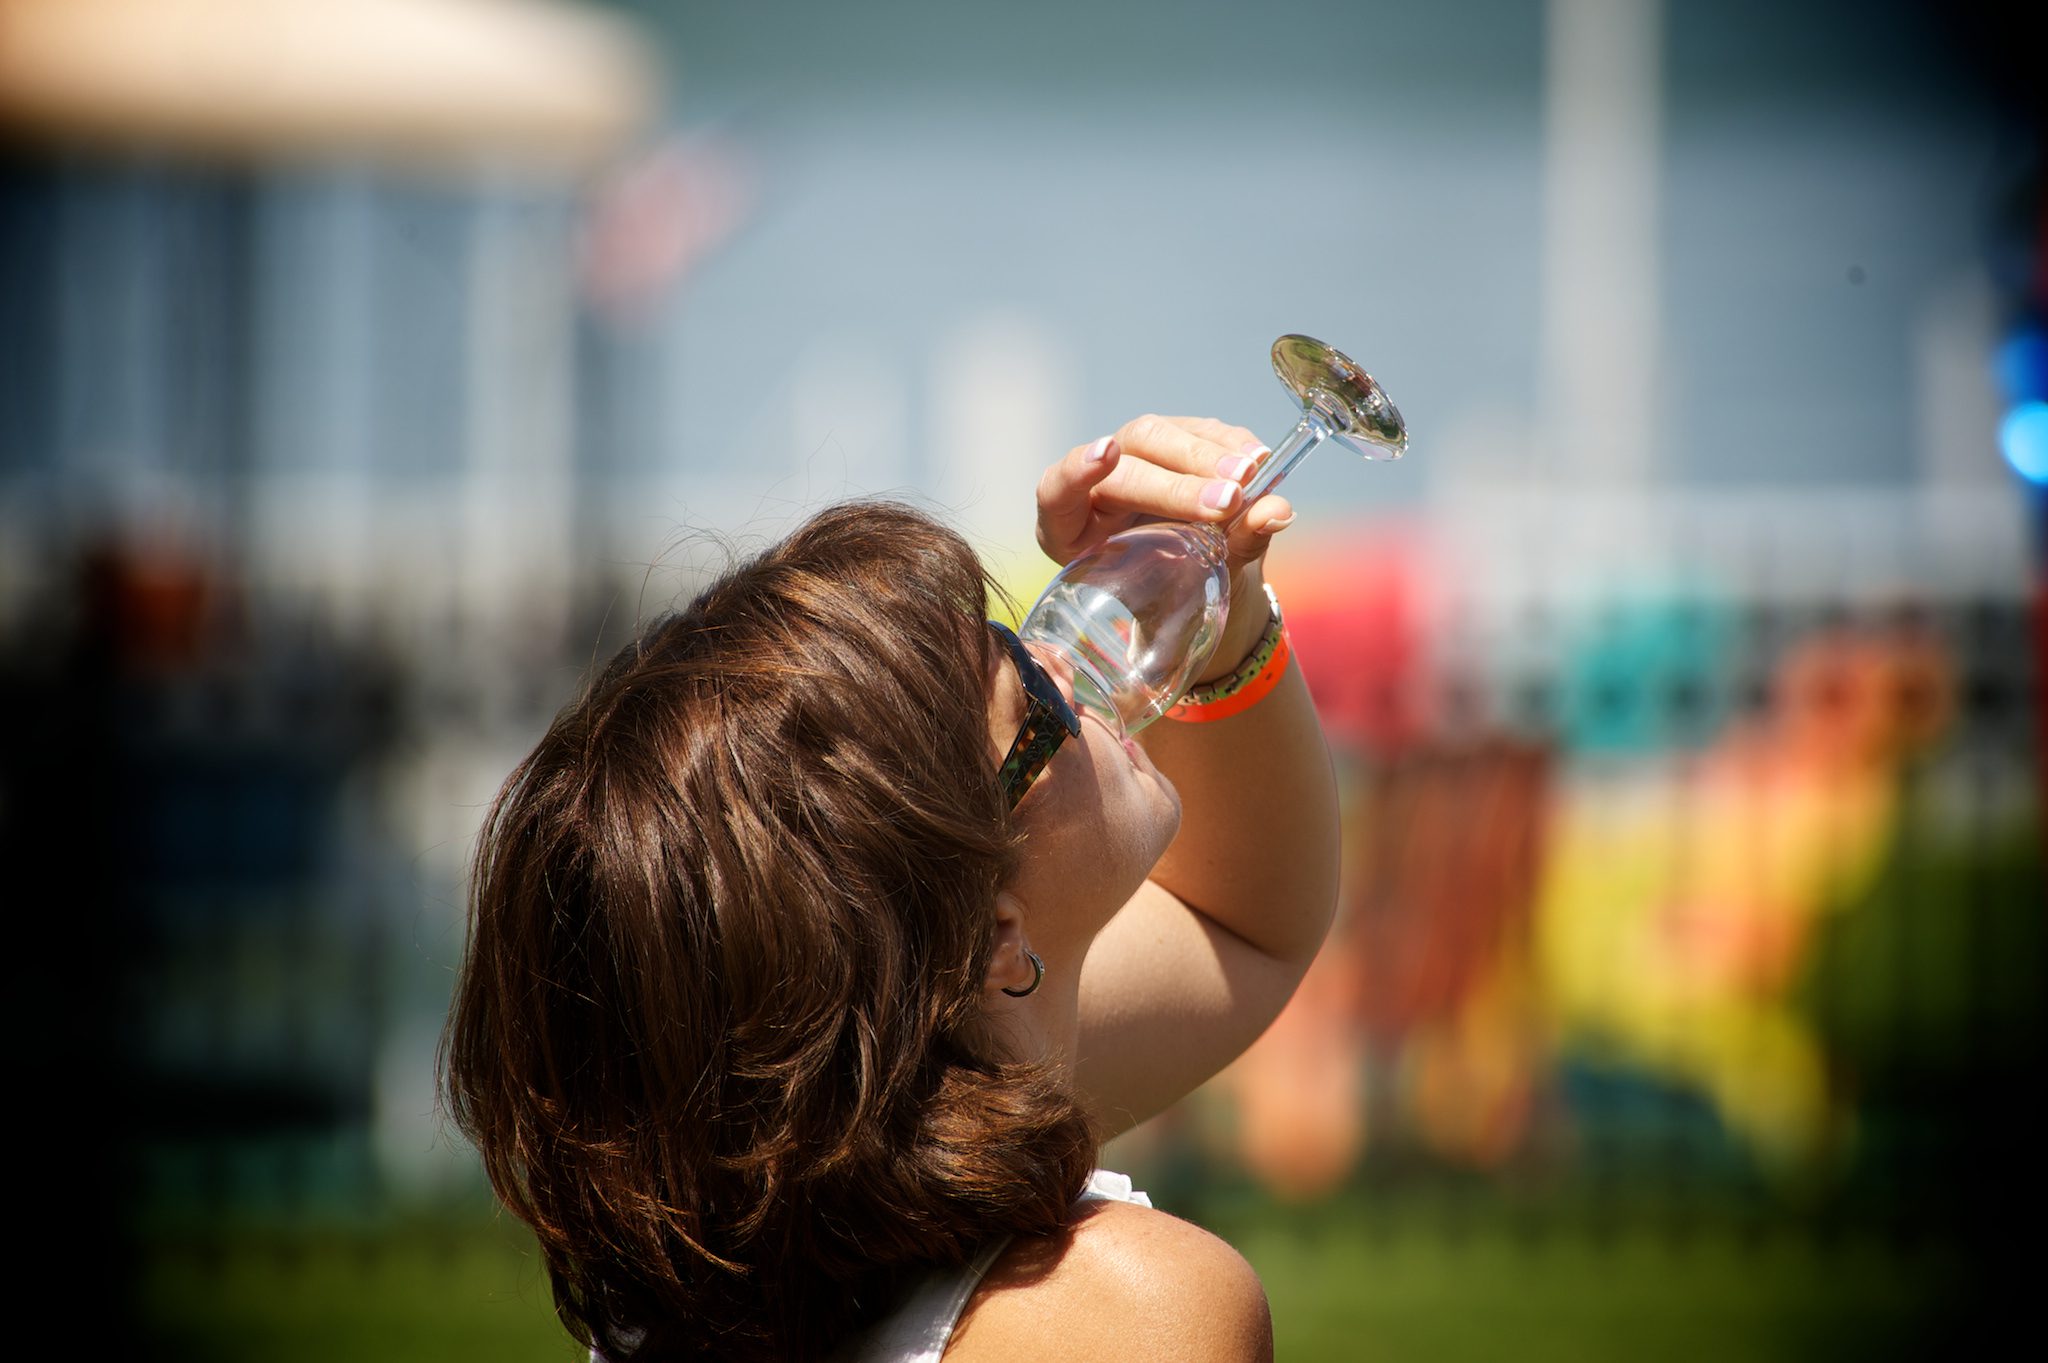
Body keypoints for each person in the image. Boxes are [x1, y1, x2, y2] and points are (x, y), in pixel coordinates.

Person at [442, 414, 1340, 1362]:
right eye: (1033, 696)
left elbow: (1239, 924)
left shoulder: (778, 1177)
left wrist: (1218, 616)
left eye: (1012, 637)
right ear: (988, 936)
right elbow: (1249, 931)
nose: (1071, 664)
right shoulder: (1135, 1316)